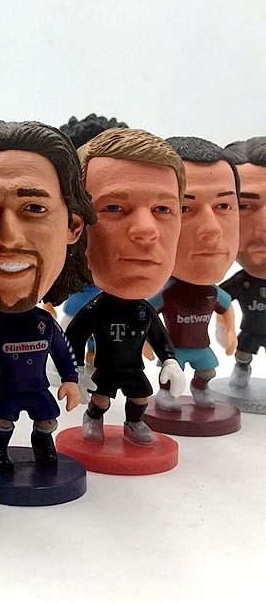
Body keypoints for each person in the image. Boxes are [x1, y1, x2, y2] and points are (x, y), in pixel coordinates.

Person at [0, 120, 95, 469]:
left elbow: (63, 352)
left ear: (73, 226)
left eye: (35, 209)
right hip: (7, 391)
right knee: (3, 422)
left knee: (47, 422)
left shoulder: (44, 324)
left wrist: (70, 381)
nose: (8, 237)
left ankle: (44, 447)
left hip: (39, 389)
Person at [65, 128, 186, 445]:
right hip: (104, 369)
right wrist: (74, 372)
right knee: (101, 400)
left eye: (163, 209)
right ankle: (94, 418)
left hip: (133, 368)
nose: (146, 231)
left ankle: (134, 423)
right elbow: (74, 335)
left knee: (140, 397)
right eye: (114, 208)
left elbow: (159, 337)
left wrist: (170, 361)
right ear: (76, 224)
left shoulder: (145, 311)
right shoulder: (96, 308)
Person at [150, 137, 239, 409]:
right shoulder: (165, 291)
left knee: (207, 371)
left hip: (201, 347)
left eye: (224, 206)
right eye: (184, 208)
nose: (212, 230)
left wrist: (231, 332)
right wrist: (146, 342)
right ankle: (167, 394)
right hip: (173, 349)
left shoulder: (213, 292)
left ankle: (200, 388)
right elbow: (147, 315)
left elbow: (226, 309)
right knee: (170, 374)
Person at [221, 136, 266, 388]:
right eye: (244, 206)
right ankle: (241, 370)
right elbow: (216, 300)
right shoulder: (242, 282)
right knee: (243, 353)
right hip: (248, 332)